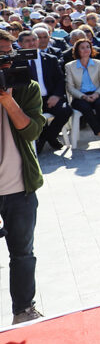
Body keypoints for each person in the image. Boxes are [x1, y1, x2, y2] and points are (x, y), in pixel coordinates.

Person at [0, 28, 46, 324]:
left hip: (19, 186)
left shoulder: (26, 86)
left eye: (7, 56)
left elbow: (31, 131)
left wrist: (8, 100)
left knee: (22, 254)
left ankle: (23, 310)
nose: (4, 63)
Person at [18, 30, 71, 152]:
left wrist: (57, 96)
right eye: (27, 41)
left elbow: (60, 79)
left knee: (66, 110)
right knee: (34, 117)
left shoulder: (50, 59)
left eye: (33, 40)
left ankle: (46, 137)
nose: (32, 43)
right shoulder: (16, 62)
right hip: (29, 101)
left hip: (49, 98)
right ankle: (47, 139)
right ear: (21, 44)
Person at [64, 38, 100, 152]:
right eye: (82, 48)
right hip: (80, 96)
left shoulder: (98, 64)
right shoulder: (70, 66)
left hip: (98, 93)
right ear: (77, 50)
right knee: (85, 107)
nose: (86, 50)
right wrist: (83, 96)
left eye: (88, 47)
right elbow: (70, 87)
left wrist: (97, 94)